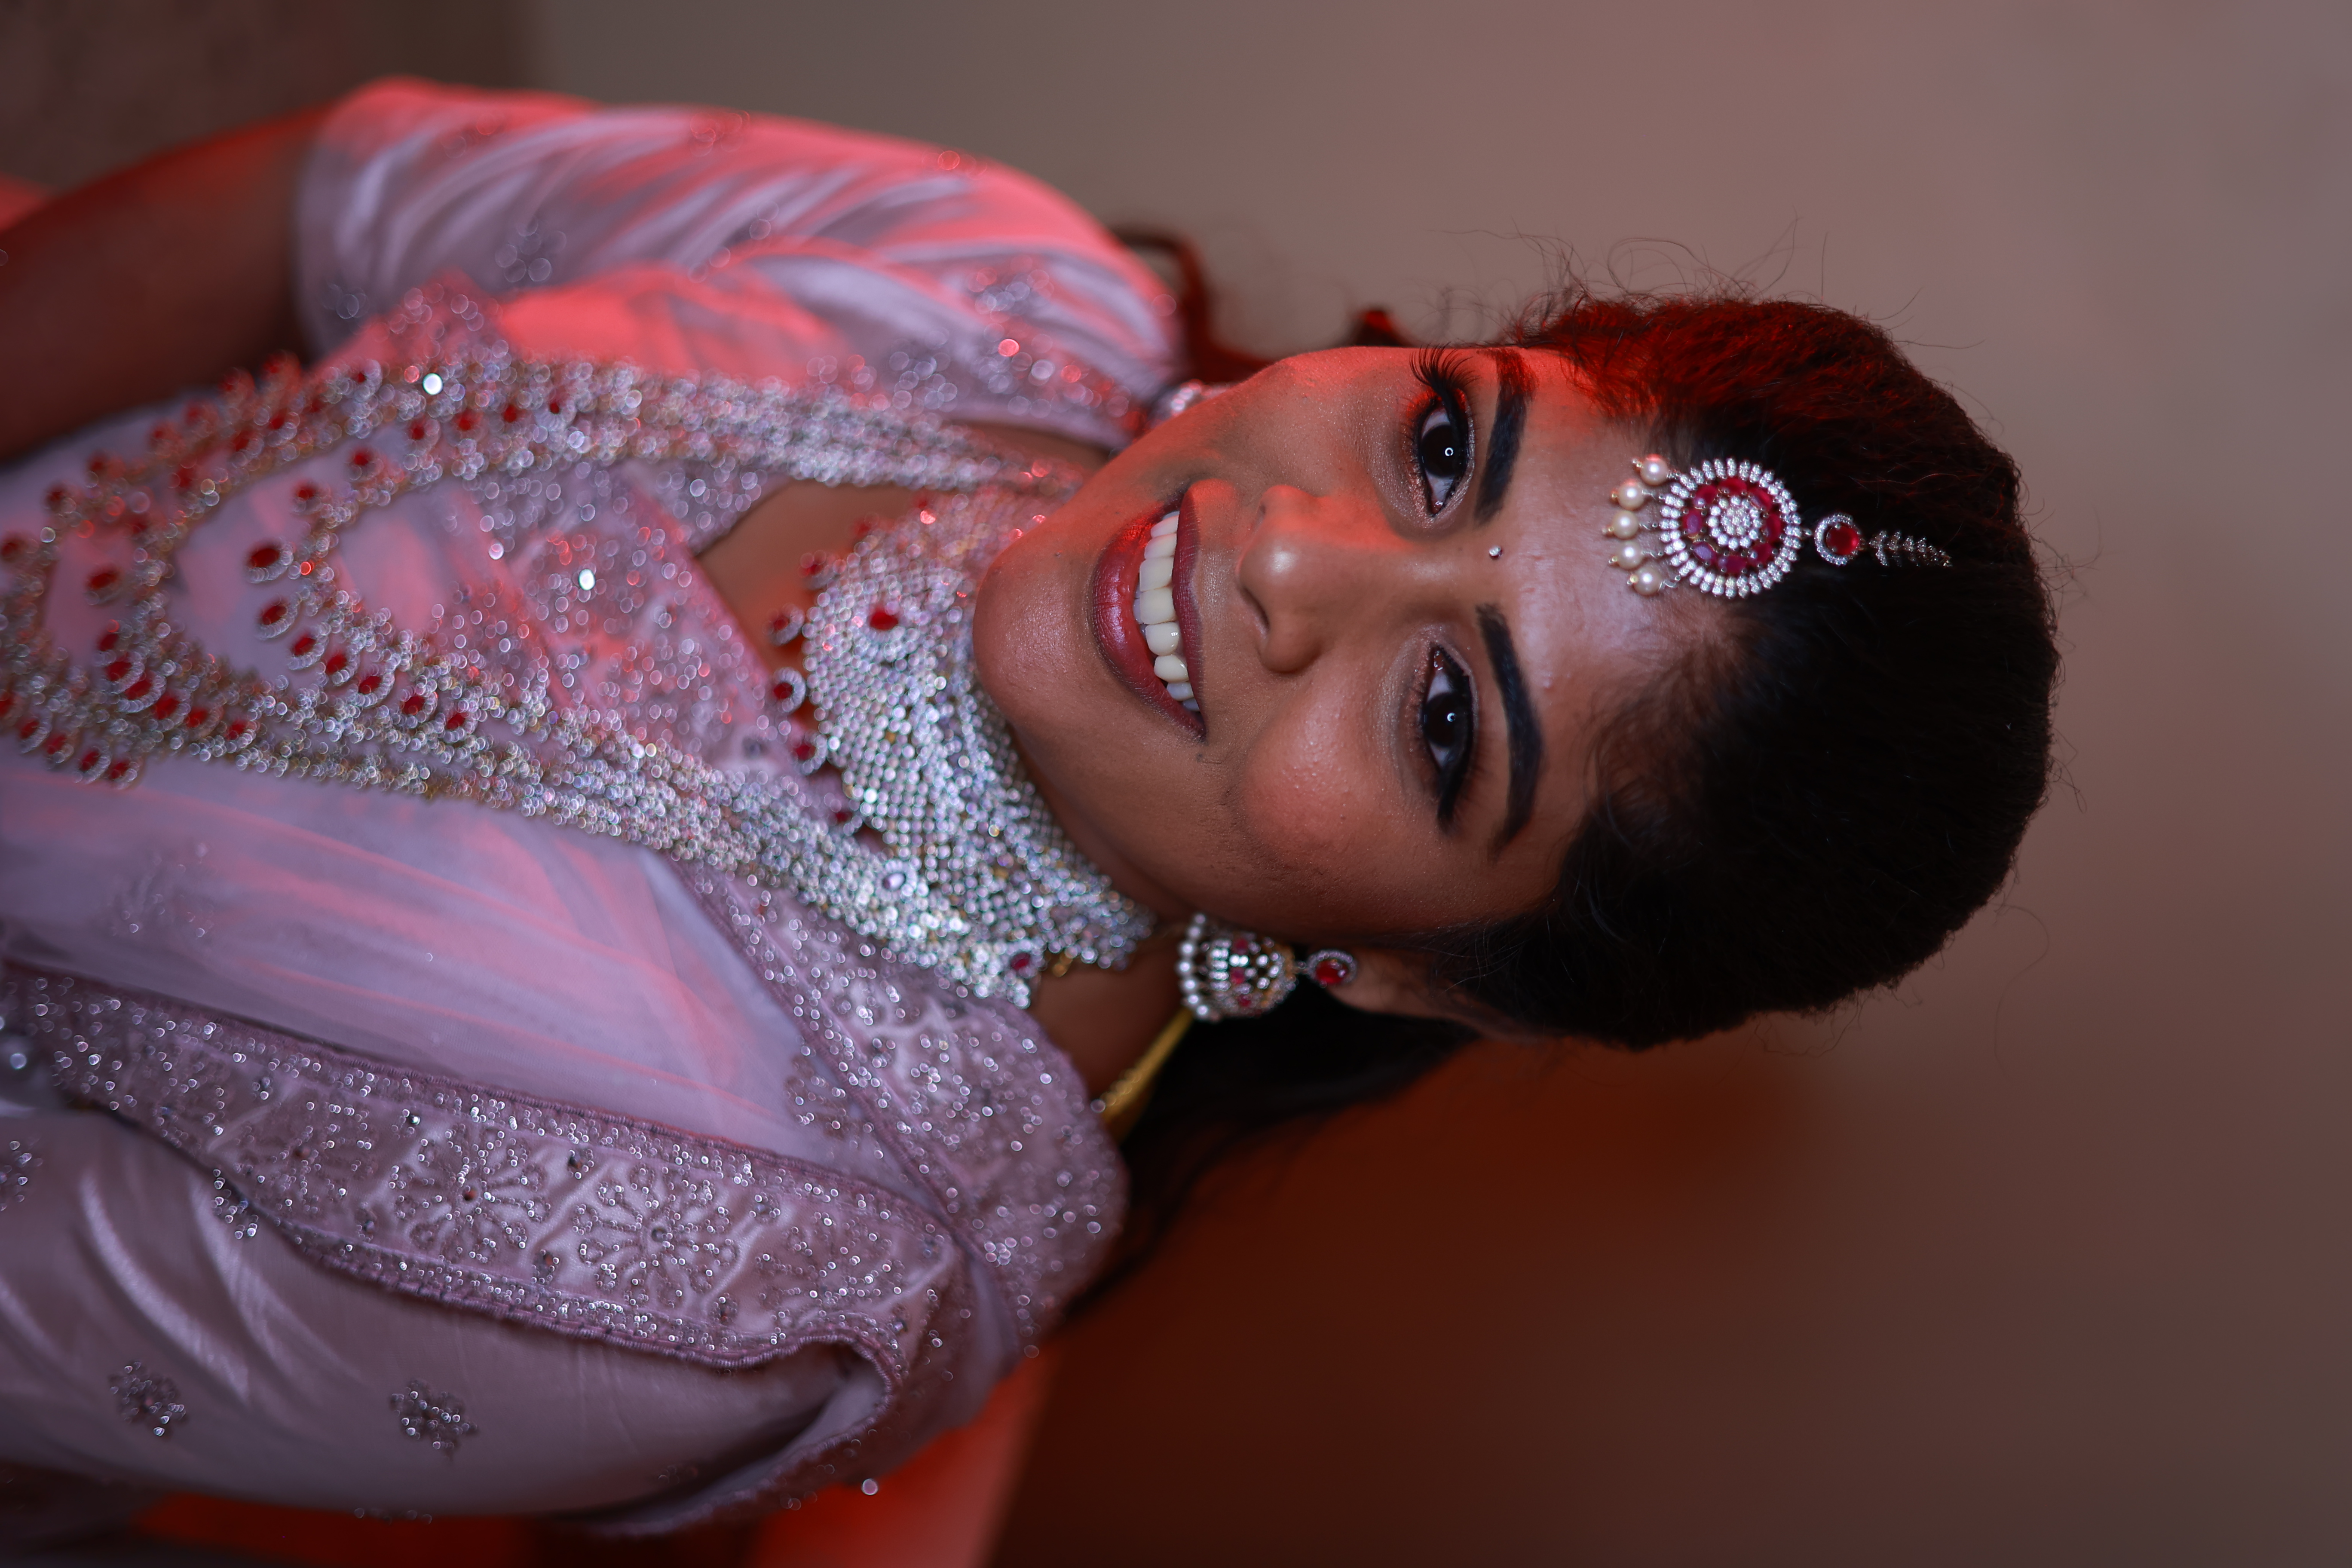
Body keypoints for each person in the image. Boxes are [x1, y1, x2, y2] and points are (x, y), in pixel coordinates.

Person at [0, 78, 2057, 1538]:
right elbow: (302, 213)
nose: (1294, 562)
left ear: (1412, 973)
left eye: (1449, 725)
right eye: (1445, 448)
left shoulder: (730, 1274)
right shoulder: (988, 284)